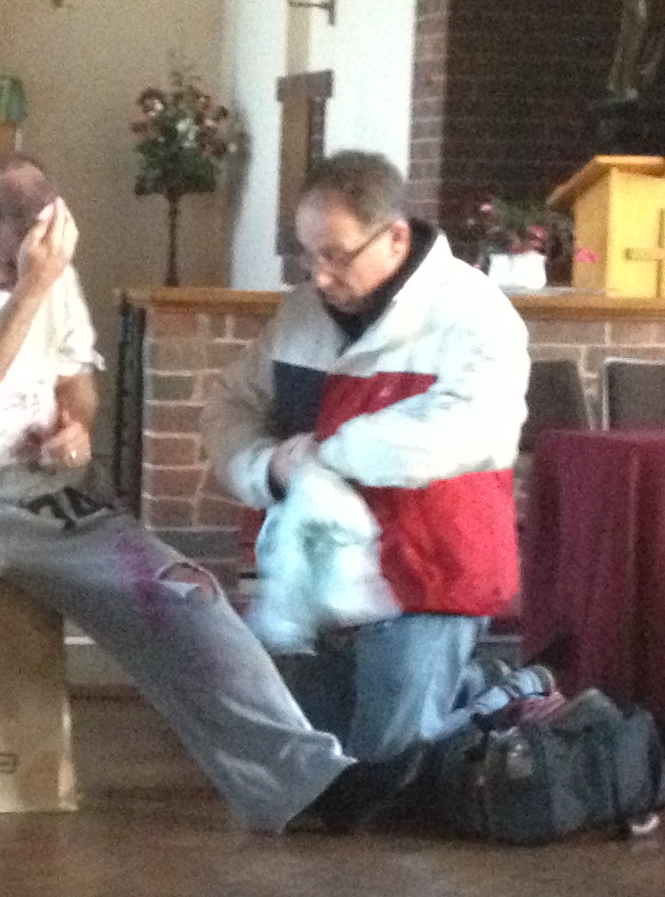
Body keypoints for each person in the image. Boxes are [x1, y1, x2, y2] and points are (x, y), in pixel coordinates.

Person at [0, 154, 353, 862]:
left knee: (187, 596)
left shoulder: (49, 258)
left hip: (49, 500)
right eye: (7, 263)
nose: (24, 272)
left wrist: (75, 429)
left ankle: (302, 782)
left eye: (36, 261)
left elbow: (76, 383)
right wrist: (33, 284)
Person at [203, 148, 535, 763]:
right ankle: (465, 695)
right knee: (300, 759)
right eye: (308, 255)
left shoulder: (472, 311)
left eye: (336, 256)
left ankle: (500, 697)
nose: (319, 277)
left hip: (427, 577)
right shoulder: (300, 315)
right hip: (310, 577)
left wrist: (334, 454)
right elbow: (231, 407)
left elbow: (479, 428)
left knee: (389, 766)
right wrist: (267, 467)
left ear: (395, 237)